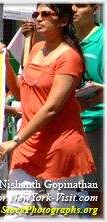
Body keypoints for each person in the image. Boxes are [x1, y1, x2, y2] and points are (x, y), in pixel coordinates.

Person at [0, 4, 95, 218]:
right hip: (28, 145)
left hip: (59, 145)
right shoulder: (36, 48)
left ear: (64, 21)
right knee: (15, 212)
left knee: (62, 214)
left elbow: (51, 108)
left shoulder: (69, 57)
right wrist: (4, 63)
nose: (38, 18)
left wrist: (16, 139)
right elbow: (23, 94)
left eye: (46, 14)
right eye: (36, 14)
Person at [72, 3, 104, 217]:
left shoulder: (104, 40)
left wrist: (89, 103)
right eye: (71, 4)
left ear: (94, 9)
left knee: (97, 190)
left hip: (96, 124)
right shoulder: (65, 38)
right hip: (66, 125)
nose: (73, 9)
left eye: (81, 5)